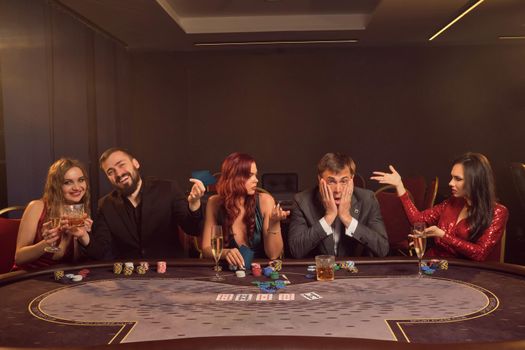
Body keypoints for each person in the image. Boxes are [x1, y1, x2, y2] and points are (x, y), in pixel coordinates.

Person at [370, 152, 508, 261]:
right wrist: (399, 186)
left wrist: (443, 235)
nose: (450, 183)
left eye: (457, 179)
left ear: (475, 181)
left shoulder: (498, 212)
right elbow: (417, 220)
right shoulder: (451, 202)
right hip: (434, 265)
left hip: (464, 273)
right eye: (451, 177)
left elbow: (480, 253)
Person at [80, 147, 205, 260]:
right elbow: (101, 251)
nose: (118, 173)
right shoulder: (105, 204)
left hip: (170, 274)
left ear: (136, 163)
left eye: (121, 165)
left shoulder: (168, 189)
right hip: (129, 279)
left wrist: (194, 204)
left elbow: (193, 229)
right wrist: (84, 236)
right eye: (110, 172)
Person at [288, 152, 389, 258]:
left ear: (352, 180)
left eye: (344, 181)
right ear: (319, 180)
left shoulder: (367, 199)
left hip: (355, 270)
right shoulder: (302, 201)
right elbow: (296, 250)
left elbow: (382, 249)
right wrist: (329, 217)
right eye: (331, 182)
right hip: (318, 270)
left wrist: (347, 219)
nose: (338, 190)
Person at [201, 153, 288, 268]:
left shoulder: (266, 201)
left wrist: (274, 223)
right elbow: (206, 248)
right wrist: (225, 253)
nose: (256, 180)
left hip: (260, 274)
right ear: (234, 177)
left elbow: (273, 255)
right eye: (250, 175)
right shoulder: (214, 203)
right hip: (229, 273)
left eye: (255, 175)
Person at [15, 158, 92, 269]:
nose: (77, 187)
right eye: (67, 182)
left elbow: (67, 259)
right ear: (56, 186)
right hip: (29, 277)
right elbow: (19, 258)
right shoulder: (37, 207)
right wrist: (46, 243)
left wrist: (82, 238)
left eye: (81, 180)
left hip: (59, 277)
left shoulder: (81, 213)